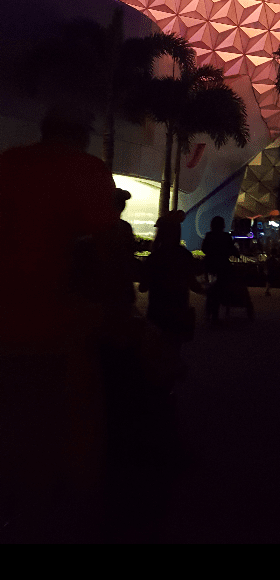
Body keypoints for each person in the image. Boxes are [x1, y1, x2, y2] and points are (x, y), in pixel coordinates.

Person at [0, 106, 118, 536]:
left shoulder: (9, 163)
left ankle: (19, 508)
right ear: (81, 135)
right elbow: (105, 248)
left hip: (7, 320)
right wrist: (113, 311)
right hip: (56, 323)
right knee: (68, 421)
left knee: (15, 420)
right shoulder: (85, 169)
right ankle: (62, 516)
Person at [139, 211, 200, 348]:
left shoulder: (154, 258)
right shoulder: (184, 256)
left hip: (157, 312)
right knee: (174, 348)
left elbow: (143, 288)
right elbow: (193, 284)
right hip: (179, 310)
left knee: (156, 349)